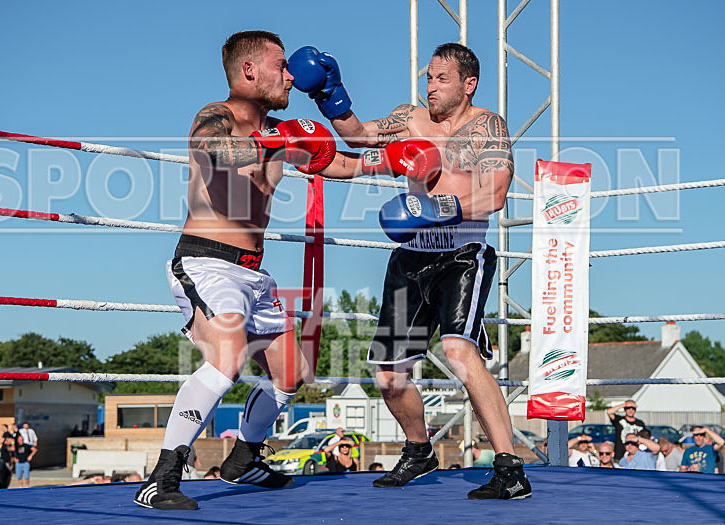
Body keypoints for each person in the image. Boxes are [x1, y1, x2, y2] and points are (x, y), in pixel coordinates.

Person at [288, 42, 529, 500]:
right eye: (428, 77)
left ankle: (510, 467)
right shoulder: (411, 119)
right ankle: (419, 452)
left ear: (468, 84)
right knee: (389, 374)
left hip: (462, 252)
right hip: (411, 255)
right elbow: (359, 139)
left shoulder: (488, 126)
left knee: (459, 353)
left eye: (441, 79)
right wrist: (330, 95)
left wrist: (435, 206)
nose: (431, 86)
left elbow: (495, 195)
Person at [133, 30, 337, 512]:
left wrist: (395, 159)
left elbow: (341, 159)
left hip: (253, 274)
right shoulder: (216, 116)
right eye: (280, 65)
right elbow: (213, 153)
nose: (290, 75)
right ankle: (161, 477)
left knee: (292, 373)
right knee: (226, 360)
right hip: (206, 262)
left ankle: (243, 459)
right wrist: (275, 142)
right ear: (249, 71)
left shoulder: (279, 130)